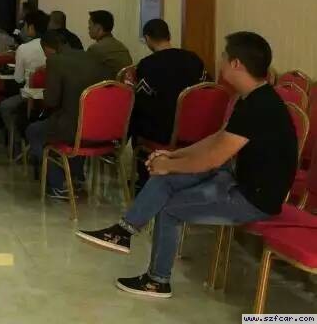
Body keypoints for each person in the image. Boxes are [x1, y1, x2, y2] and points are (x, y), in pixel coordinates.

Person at [76, 32, 298, 299]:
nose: (221, 61)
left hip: (253, 199)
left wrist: (169, 165)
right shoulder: (251, 97)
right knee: (166, 179)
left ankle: (157, 280)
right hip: (237, 179)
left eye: (224, 56)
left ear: (237, 63)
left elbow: (214, 158)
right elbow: (217, 139)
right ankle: (123, 231)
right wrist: (173, 156)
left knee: (169, 208)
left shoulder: (260, 107)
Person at [25, 30, 109, 198]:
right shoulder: (94, 58)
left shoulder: (55, 61)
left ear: (48, 49)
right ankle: (76, 177)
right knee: (74, 125)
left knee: (34, 131)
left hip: (72, 129)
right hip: (101, 129)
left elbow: (51, 101)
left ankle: (58, 183)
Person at [132, 18, 205, 153]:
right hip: (196, 127)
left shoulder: (147, 64)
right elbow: (207, 88)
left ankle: (139, 163)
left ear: (147, 38)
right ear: (169, 36)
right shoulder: (193, 58)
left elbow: (142, 101)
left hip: (164, 134)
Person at [0, 11, 49, 152]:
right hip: (51, 97)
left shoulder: (24, 48)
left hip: (29, 98)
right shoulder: (53, 46)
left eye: (25, 25)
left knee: (5, 107)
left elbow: (18, 78)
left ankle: (17, 143)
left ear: (31, 27)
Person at [86, 10, 133, 77]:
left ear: (98, 28)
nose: (89, 27)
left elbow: (87, 74)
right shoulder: (122, 47)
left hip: (107, 83)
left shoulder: (94, 49)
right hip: (125, 83)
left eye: (90, 24)